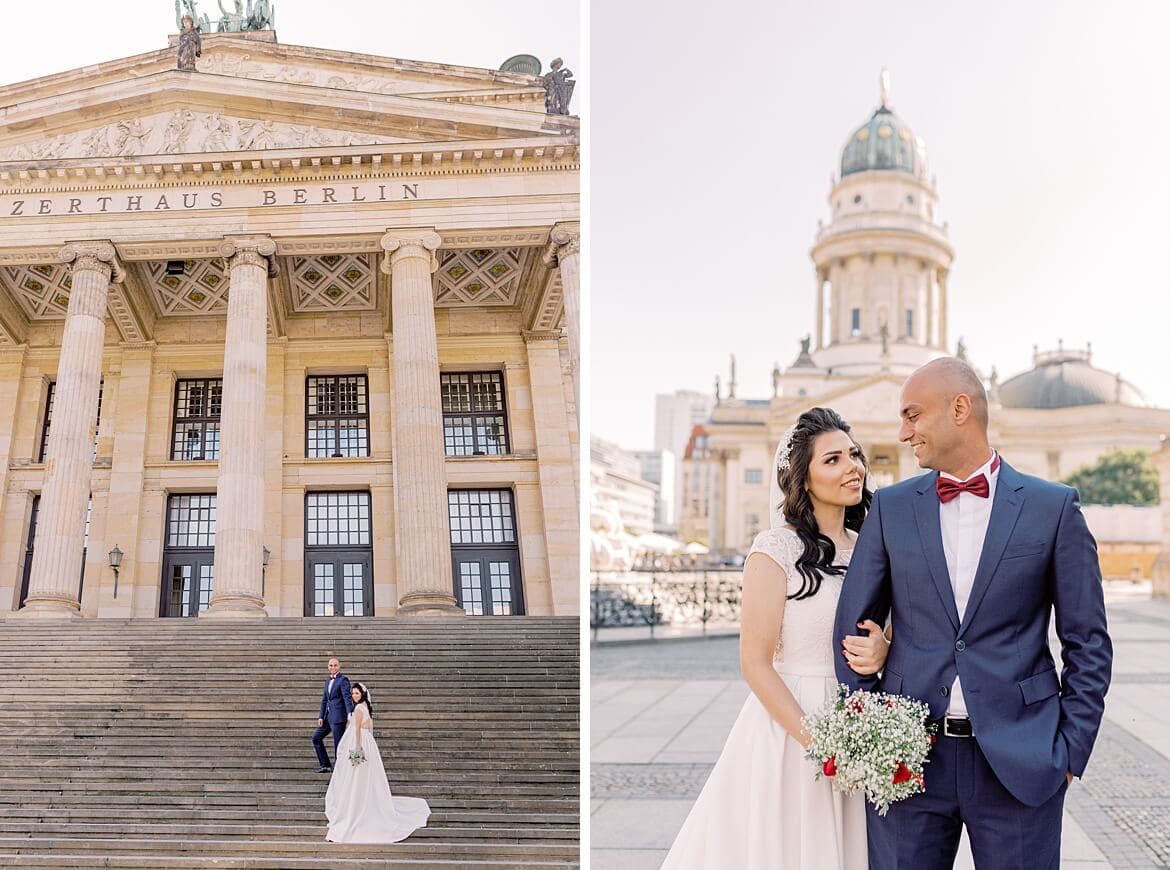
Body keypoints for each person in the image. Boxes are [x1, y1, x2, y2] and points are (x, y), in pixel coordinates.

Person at [834, 357, 1112, 869]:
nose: (902, 432)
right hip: (909, 765)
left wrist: (1069, 753)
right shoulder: (890, 509)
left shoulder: (1053, 507)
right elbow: (851, 631)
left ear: (959, 409)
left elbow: (1088, 641)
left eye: (913, 415)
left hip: (1022, 762)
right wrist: (873, 738)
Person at [662, 407, 888, 870]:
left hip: (862, 719)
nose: (852, 468)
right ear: (803, 479)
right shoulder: (774, 549)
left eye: (854, 455)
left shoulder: (872, 544)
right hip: (792, 725)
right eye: (833, 460)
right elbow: (755, 663)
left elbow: (894, 626)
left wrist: (884, 647)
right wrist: (821, 744)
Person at [325, 682, 431, 843]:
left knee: (356, 775)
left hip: (359, 742)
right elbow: (369, 725)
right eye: (353, 693)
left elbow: (357, 729)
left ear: (362, 694)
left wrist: (357, 748)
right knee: (365, 776)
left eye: (357, 693)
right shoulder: (365, 707)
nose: (354, 696)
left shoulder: (359, 708)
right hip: (368, 742)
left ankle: (356, 805)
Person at [312, 657, 353, 773]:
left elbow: (347, 697)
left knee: (338, 745)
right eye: (331, 665)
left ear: (339, 666)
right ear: (328, 667)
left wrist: (350, 713)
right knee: (316, 738)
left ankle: (339, 772)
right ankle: (325, 765)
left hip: (339, 717)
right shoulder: (327, 681)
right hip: (328, 717)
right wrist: (321, 716)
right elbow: (325, 700)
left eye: (335, 665)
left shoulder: (343, 680)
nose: (333, 667)